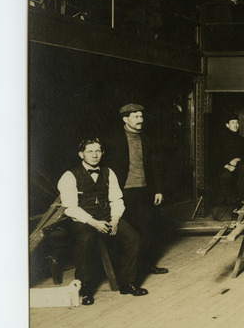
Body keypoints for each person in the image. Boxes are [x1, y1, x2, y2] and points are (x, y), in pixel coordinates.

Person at [57, 137, 148, 305]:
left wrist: (114, 220)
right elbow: (70, 208)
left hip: (107, 216)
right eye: (90, 151)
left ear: (102, 153)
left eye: (98, 151)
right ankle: (85, 289)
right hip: (81, 219)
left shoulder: (108, 172)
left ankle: (127, 283)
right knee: (86, 239)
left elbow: (116, 200)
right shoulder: (69, 176)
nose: (94, 155)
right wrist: (94, 223)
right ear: (81, 154)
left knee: (132, 238)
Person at [104, 102, 168, 276]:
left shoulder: (146, 138)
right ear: (125, 119)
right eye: (136, 117)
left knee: (147, 229)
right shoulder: (113, 139)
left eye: (141, 116)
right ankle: (124, 270)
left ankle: (146, 265)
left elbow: (155, 165)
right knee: (126, 233)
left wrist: (158, 190)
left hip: (144, 191)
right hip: (122, 193)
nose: (141, 120)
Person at [216, 114, 244, 204]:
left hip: (238, 166)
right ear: (227, 125)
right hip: (223, 166)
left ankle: (243, 198)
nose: (235, 125)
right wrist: (227, 165)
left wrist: (237, 159)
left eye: (237, 123)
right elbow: (216, 155)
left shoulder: (241, 139)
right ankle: (230, 201)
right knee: (226, 175)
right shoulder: (220, 138)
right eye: (233, 123)